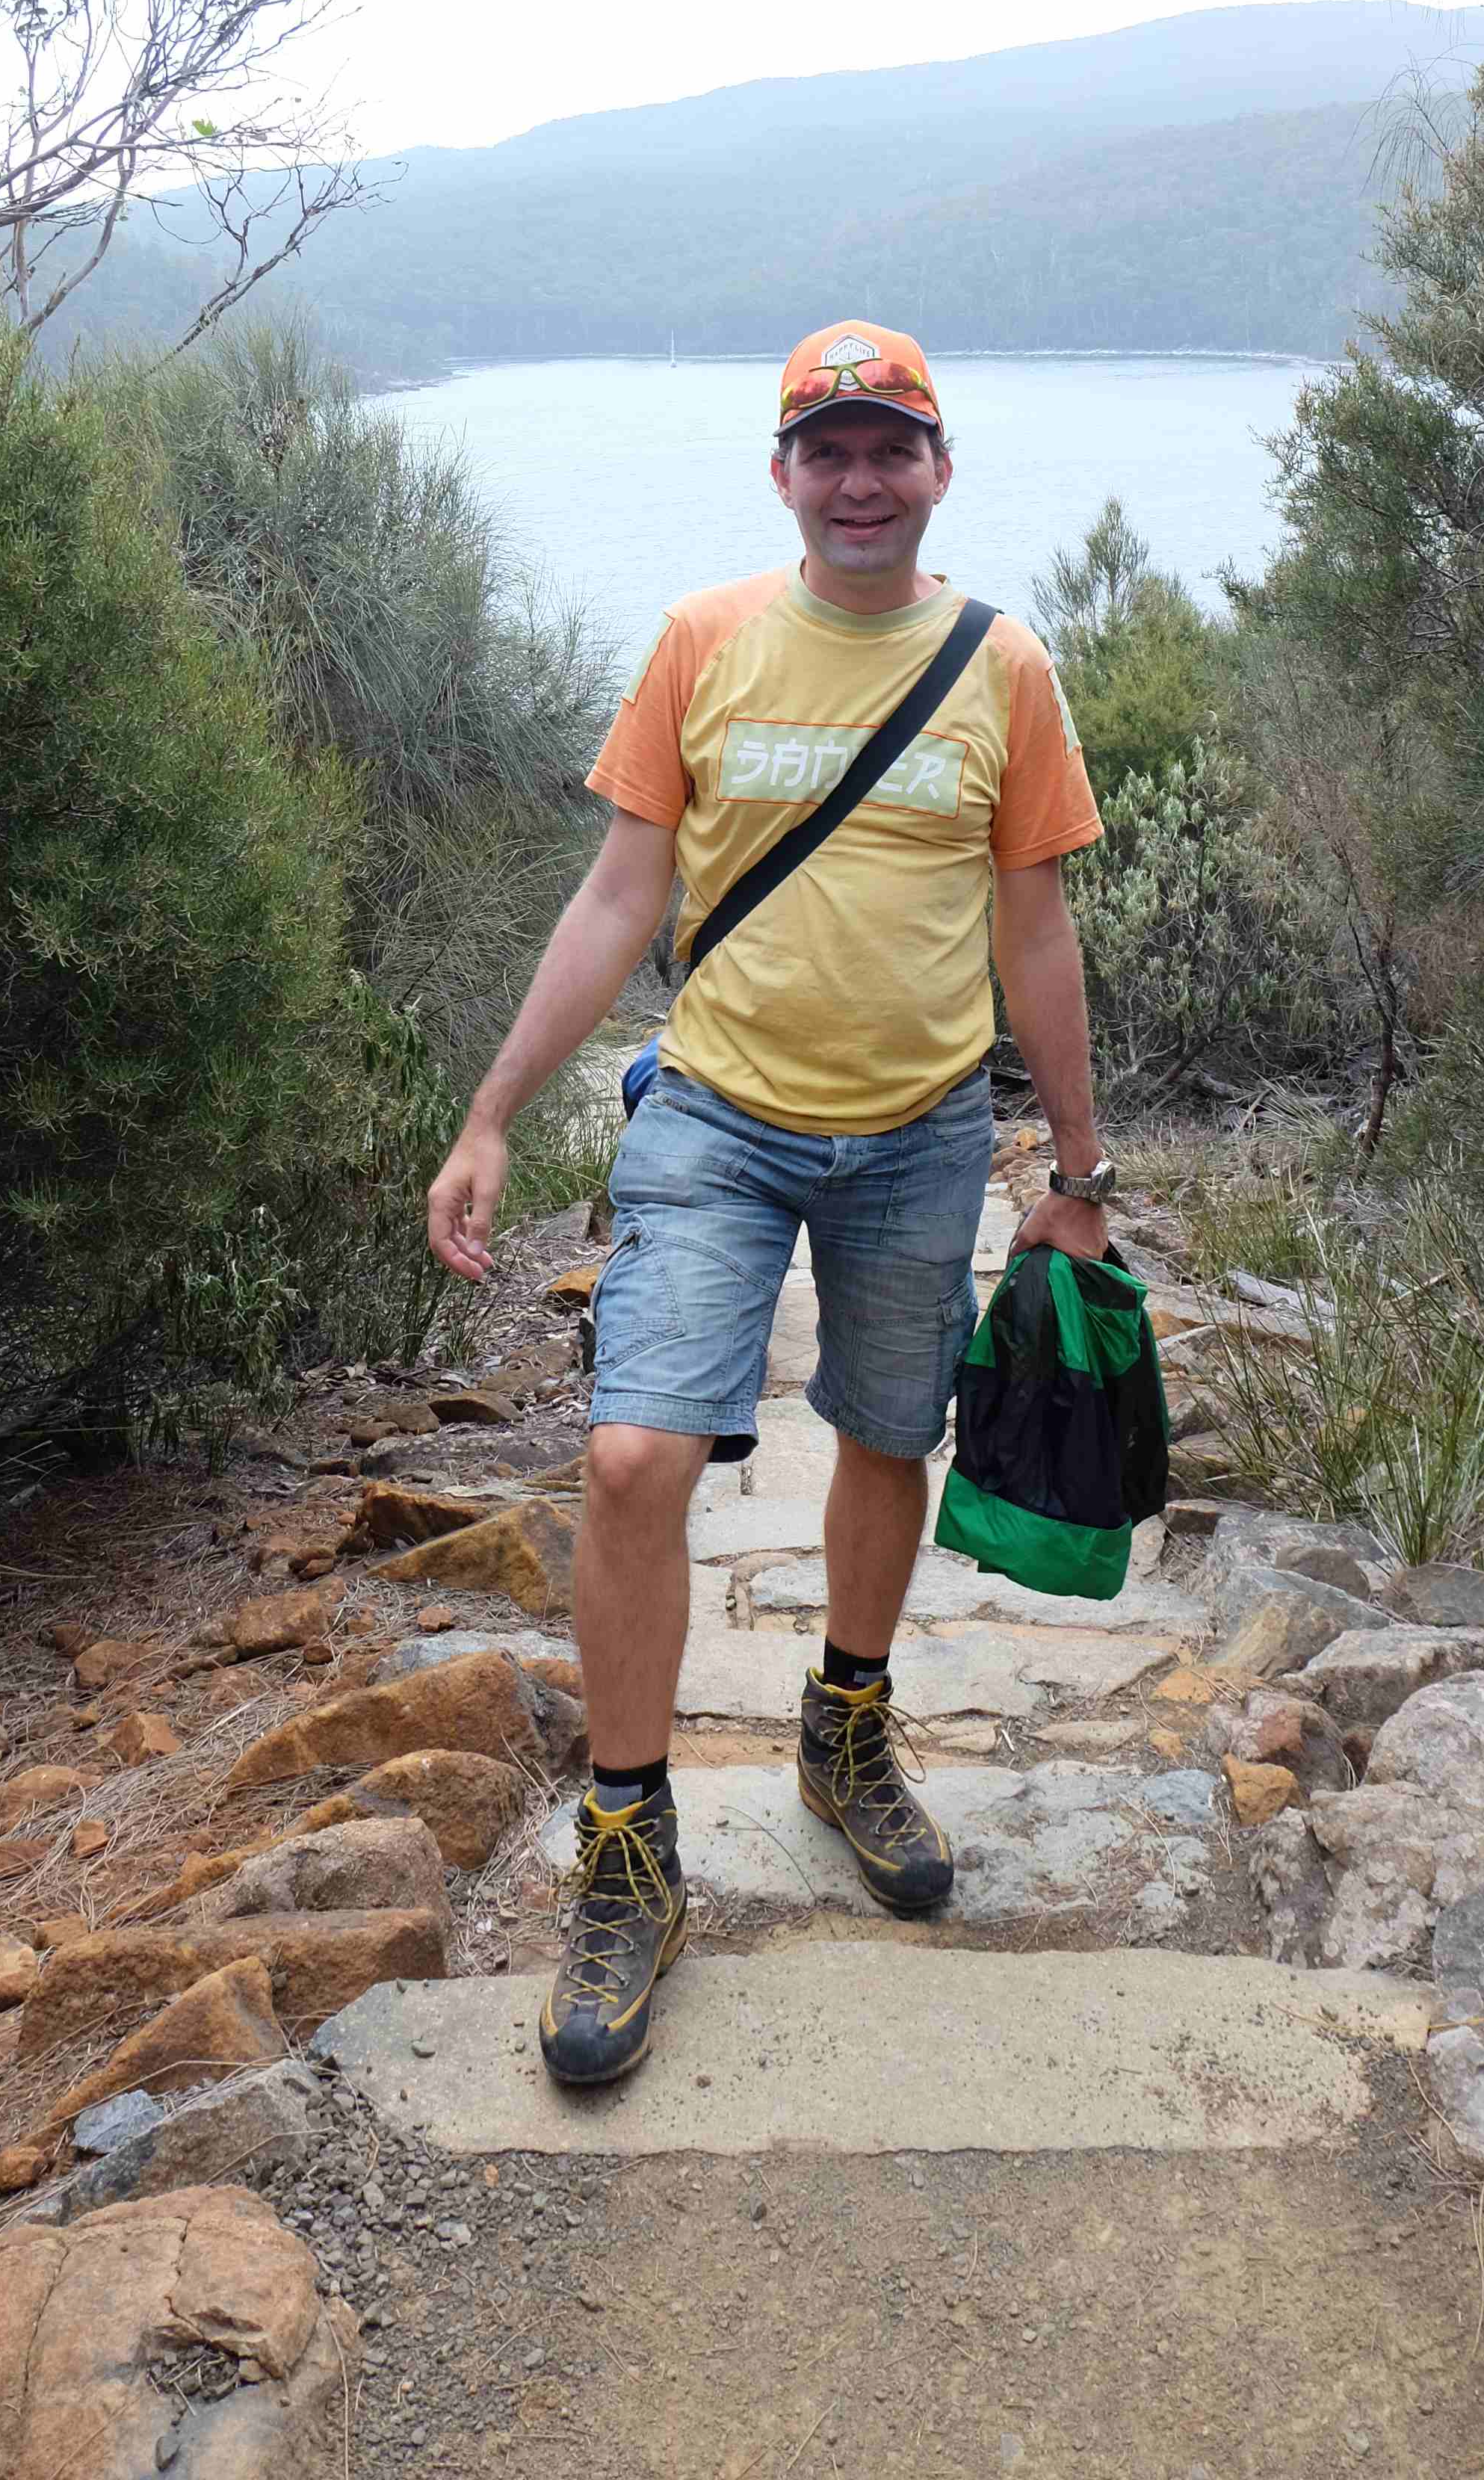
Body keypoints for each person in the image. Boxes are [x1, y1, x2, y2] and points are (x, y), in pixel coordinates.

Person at [424, 318, 1114, 2084]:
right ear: (785, 474)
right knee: (633, 1458)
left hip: (921, 1132)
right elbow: (617, 897)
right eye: (829, 451)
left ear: (938, 469)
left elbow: (1037, 931)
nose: (860, 482)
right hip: (717, 1118)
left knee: (888, 1435)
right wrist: (493, 1114)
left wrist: (1076, 1177)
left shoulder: (1004, 667)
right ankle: (630, 1849)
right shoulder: (704, 642)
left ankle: (846, 1728)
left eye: (891, 449)